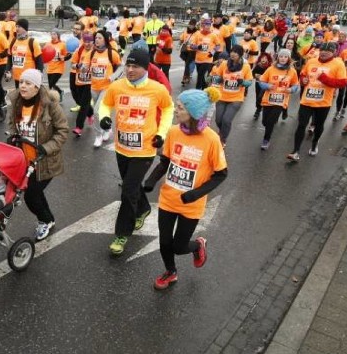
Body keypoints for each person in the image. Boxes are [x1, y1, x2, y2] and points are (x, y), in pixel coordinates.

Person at [143, 88, 227, 290]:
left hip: (191, 204)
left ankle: (198, 245)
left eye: (179, 108)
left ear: (193, 112)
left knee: (180, 247)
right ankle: (170, 272)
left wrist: (194, 194)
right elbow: (165, 161)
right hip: (168, 199)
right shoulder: (173, 131)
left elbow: (221, 174)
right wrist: (151, 180)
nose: (175, 111)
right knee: (164, 242)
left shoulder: (211, 139)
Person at [98, 49, 174, 256]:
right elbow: (105, 104)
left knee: (128, 191)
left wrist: (161, 133)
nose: (130, 70)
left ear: (145, 67)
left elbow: (168, 109)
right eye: (127, 66)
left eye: (135, 66)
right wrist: (104, 117)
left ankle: (122, 234)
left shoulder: (157, 89)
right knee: (131, 186)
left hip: (145, 150)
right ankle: (143, 208)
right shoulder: (117, 86)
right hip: (122, 147)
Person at [5, 68, 68, 241]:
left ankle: (44, 221)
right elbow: (12, 124)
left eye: (28, 83)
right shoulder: (16, 102)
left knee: (31, 195)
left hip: (45, 161)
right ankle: (49, 219)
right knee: (35, 193)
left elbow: (62, 131)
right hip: (24, 161)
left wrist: (45, 148)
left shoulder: (49, 105)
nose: (23, 86)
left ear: (37, 87)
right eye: (22, 82)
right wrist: (13, 137)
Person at [286, 42, 347, 161]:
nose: (324, 53)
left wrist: (324, 78)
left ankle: (314, 143)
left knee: (319, 126)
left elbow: (342, 83)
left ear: (334, 52)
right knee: (301, 125)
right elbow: (303, 74)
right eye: (322, 50)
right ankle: (295, 151)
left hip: (323, 102)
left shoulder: (338, 64)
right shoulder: (311, 61)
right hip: (307, 100)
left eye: (328, 51)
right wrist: (303, 80)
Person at [257, 49, 299, 150]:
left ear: (288, 58)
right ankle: (268, 129)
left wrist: (291, 89)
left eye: (285, 57)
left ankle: (266, 140)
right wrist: (267, 86)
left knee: (271, 121)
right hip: (268, 99)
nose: (283, 58)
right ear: (278, 57)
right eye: (281, 56)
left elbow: (296, 85)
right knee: (265, 122)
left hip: (281, 101)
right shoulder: (271, 69)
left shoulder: (292, 71)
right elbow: (261, 81)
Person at [213, 45, 254, 146]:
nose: (233, 53)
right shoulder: (224, 64)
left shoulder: (245, 66)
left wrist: (243, 82)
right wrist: (219, 79)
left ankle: (223, 140)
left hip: (236, 98)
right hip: (222, 96)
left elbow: (249, 82)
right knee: (218, 120)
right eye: (231, 51)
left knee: (226, 120)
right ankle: (222, 132)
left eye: (236, 52)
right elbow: (216, 75)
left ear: (240, 54)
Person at [89, 31, 122, 148]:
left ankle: (98, 135)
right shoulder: (92, 52)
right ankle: (107, 128)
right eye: (96, 38)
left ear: (105, 40)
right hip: (94, 87)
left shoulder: (111, 53)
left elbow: (121, 66)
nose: (97, 40)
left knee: (97, 111)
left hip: (106, 87)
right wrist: (82, 68)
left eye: (99, 38)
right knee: (102, 112)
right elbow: (86, 66)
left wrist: (113, 76)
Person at [7, 18, 43, 89]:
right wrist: (7, 70)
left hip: (29, 79)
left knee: (28, 99)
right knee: (19, 98)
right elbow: (10, 58)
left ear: (25, 28)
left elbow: (39, 61)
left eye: (19, 27)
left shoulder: (32, 42)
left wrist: (39, 76)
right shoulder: (13, 41)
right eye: (16, 26)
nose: (17, 29)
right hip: (17, 78)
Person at [71, 32, 95, 136]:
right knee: (81, 102)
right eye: (85, 41)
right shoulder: (79, 50)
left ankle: (78, 127)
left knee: (84, 104)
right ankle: (90, 113)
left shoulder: (96, 51)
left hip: (91, 82)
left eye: (89, 41)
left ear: (93, 42)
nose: (87, 44)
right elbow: (72, 65)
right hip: (80, 81)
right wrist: (77, 66)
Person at [189, 18, 224, 90]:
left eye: (209, 25)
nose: (208, 26)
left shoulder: (213, 35)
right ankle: (205, 88)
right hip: (198, 59)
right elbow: (191, 45)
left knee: (201, 74)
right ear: (202, 25)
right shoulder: (197, 34)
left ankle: (197, 89)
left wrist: (212, 52)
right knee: (201, 75)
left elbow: (218, 45)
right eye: (206, 24)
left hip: (208, 59)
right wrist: (198, 47)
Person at [46, 30, 67, 98]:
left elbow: (67, 55)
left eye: (54, 34)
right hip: (50, 68)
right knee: (51, 84)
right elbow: (45, 54)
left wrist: (63, 57)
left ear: (58, 35)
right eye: (51, 34)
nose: (52, 36)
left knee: (51, 84)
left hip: (59, 68)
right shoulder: (48, 44)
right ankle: (60, 92)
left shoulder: (62, 44)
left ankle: (50, 99)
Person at [251, 52, 272, 121]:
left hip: (266, 85)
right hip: (258, 83)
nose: (263, 59)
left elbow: (271, 76)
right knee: (258, 97)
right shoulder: (258, 65)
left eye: (265, 58)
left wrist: (264, 77)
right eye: (262, 58)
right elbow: (252, 73)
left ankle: (260, 109)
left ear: (268, 59)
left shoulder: (270, 67)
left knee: (260, 97)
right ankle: (258, 109)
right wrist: (255, 75)